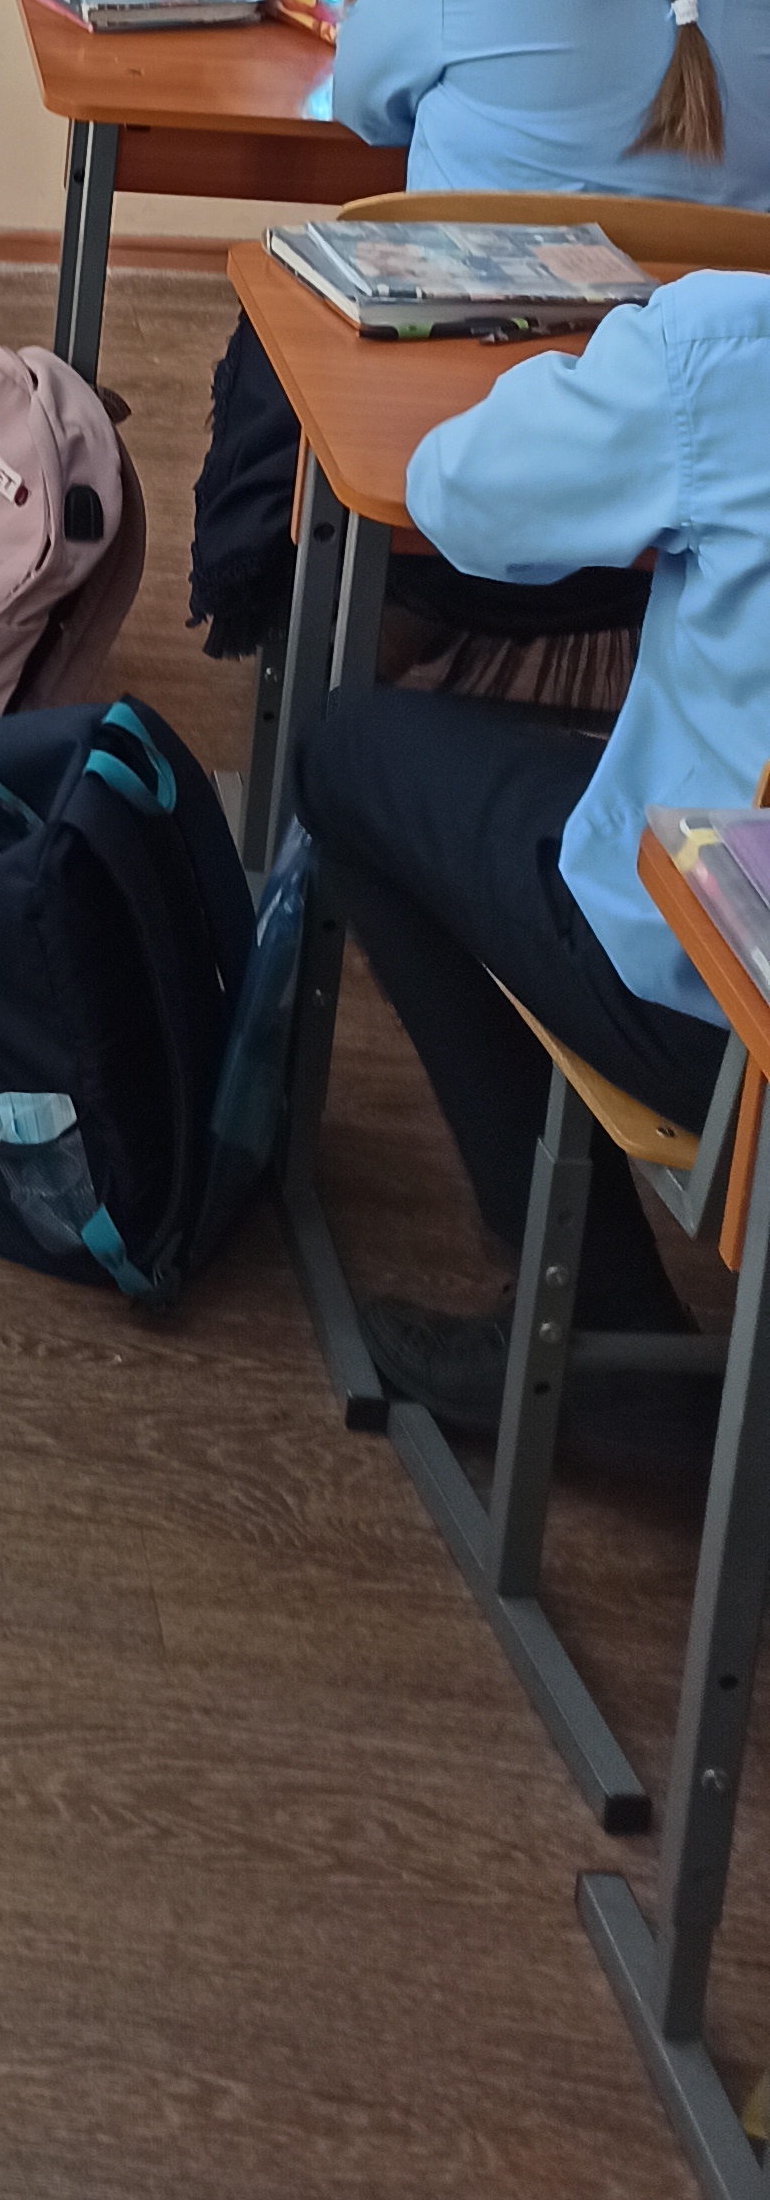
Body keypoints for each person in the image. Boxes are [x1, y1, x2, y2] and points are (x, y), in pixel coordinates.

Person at [188, 0, 770, 660]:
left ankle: (338, 654)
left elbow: (363, 107)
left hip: (452, 472)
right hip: (714, 487)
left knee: (276, 306)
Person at [293, 271, 770, 1422]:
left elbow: (455, 494)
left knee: (347, 752)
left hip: (722, 1018)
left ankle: (601, 1319)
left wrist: (628, 352)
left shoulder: (726, 354)